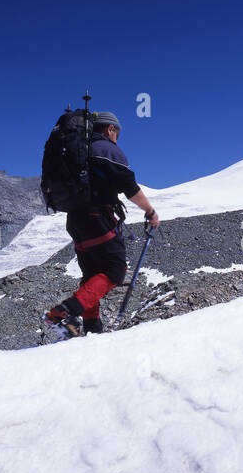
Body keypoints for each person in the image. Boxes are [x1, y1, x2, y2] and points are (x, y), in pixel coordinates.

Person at [43, 111, 160, 337]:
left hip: (76, 222)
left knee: (91, 276)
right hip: (98, 219)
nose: (118, 138)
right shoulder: (106, 149)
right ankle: (63, 311)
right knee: (115, 271)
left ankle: (92, 329)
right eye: (118, 132)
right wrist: (150, 211)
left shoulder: (77, 152)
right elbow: (130, 188)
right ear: (109, 129)